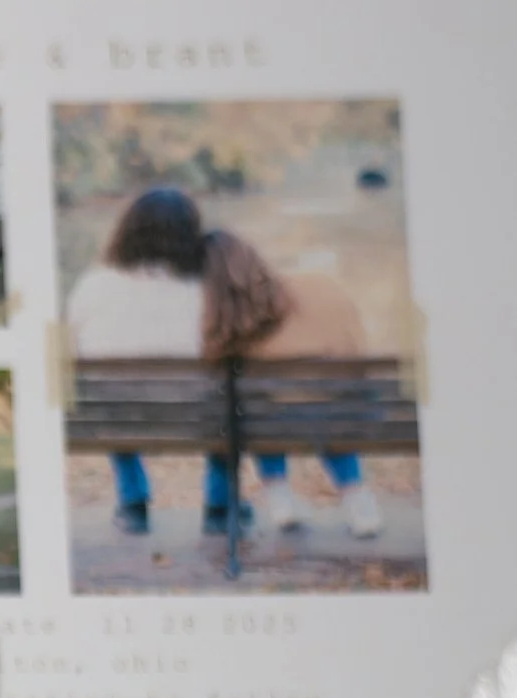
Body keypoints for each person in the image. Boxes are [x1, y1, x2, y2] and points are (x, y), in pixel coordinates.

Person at [205, 226, 385, 542]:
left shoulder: (228, 322)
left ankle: (278, 495)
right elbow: (358, 349)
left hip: (272, 423)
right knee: (328, 401)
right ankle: (357, 500)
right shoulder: (321, 284)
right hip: (345, 414)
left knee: (258, 406)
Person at [64, 186, 206, 533]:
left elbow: (66, 349)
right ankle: (221, 504)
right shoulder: (206, 286)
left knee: (110, 394)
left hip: (116, 414)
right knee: (225, 396)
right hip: (193, 414)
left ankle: (133, 502)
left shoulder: (92, 284)